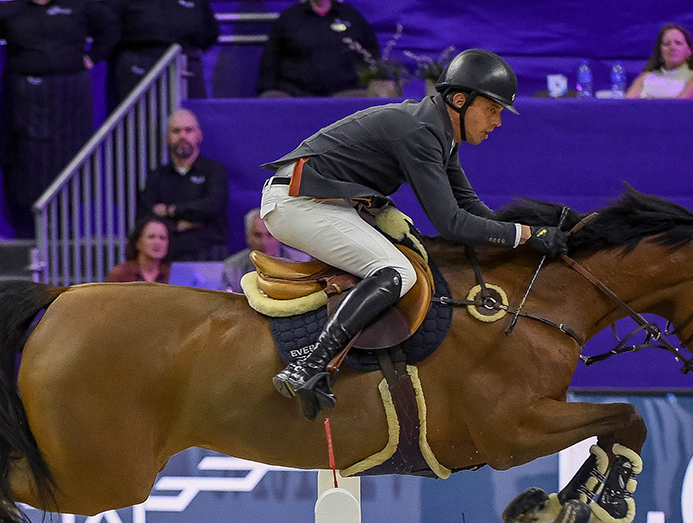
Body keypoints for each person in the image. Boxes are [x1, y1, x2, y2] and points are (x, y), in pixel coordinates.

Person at [259, 48, 570, 419]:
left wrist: (525, 239)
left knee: (406, 261)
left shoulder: (439, 130)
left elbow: (471, 207)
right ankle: (309, 365)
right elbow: (451, 224)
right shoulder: (420, 131)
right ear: (460, 100)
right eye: (493, 109)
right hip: (297, 202)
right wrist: (526, 235)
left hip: (325, 201)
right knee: (397, 273)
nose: (497, 122)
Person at [0, 0, 118, 238]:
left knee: (69, 158)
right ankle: (28, 229)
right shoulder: (13, 9)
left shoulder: (80, 6)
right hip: (26, 95)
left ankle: (62, 227)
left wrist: (94, 57)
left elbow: (110, 27)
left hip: (70, 96)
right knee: (24, 160)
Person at [135, 109, 230, 261]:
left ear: (199, 136)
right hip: (167, 259)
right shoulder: (157, 176)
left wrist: (170, 210)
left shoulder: (215, 171)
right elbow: (146, 215)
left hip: (209, 253)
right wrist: (190, 221)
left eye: (188, 130)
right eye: (176, 131)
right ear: (168, 137)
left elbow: (213, 206)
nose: (182, 136)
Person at [105, 0, 219, 104]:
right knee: (138, 115)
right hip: (137, 59)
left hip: (186, 61)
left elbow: (211, 31)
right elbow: (105, 28)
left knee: (190, 115)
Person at [257, 0, 378, 98]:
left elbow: (371, 53)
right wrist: (267, 89)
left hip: (345, 94)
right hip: (295, 95)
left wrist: (368, 85)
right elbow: (270, 58)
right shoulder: (289, 17)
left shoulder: (352, 16)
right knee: (271, 96)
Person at [220, 208, 309, 292]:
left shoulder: (302, 262)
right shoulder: (232, 269)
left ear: (279, 236)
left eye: (270, 235)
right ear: (248, 237)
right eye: (258, 235)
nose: (264, 242)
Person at [625, 24, 693, 99]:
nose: (672, 47)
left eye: (678, 43)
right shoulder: (644, 77)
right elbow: (627, 105)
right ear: (660, 51)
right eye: (667, 44)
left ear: (689, 51)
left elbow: (679, 106)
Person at [106, 215, 172, 283]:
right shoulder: (120, 274)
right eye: (151, 237)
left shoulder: (171, 274)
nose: (157, 242)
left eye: (162, 238)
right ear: (138, 242)